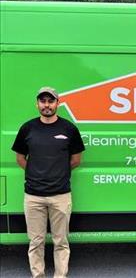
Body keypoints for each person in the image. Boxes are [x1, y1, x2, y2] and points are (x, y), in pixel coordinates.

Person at [11, 87, 85, 278]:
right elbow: (20, 158)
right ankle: (38, 276)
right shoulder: (28, 128)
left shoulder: (69, 129)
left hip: (61, 195)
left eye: (50, 101)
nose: (47, 105)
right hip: (33, 196)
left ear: (57, 103)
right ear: (37, 104)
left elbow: (76, 160)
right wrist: (35, 173)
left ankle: (60, 276)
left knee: (61, 242)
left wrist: (58, 174)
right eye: (43, 101)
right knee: (36, 242)